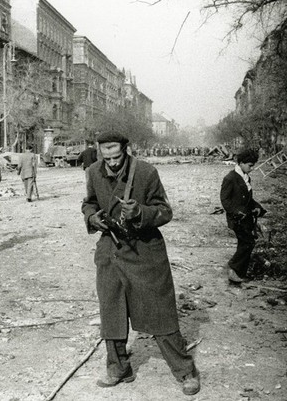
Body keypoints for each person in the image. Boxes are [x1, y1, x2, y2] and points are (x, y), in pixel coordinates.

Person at [81, 131, 200, 396]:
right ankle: (118, 368)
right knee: (111, 310)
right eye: (106, 157)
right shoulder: (92, 171)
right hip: (110, 249)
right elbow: (88, 203)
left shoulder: (146, 172)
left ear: (126, 149)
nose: (111, 162)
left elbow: (165, 210)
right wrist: (92, 218)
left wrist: (140, 212)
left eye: (117, 156)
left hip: (144, 250)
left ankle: (185, 371)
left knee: (159, 310)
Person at [220, 148, 267, 283]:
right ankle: (233, 269)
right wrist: (236, 212)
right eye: (250, 165)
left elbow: (248, 199)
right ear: (240, 163)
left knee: (245, 243)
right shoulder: (230, 178)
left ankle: (240, 272)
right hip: (237, 219)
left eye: (253, 165)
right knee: (248, 242)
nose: (252, 168)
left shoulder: (246, 177)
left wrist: (257, 207)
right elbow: (225, 200)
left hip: (246, 217)